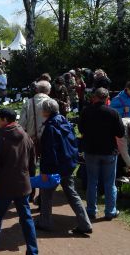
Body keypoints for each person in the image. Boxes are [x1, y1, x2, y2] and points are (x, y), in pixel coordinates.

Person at [0, 108, 38, 254]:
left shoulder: (1, 137)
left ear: (4, 120)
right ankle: (33, 250)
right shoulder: (25, 135)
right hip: (22, 183)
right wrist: (30, 177)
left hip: (4, 185)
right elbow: (32, 159)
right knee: (26, 217)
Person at [36, 99, 92, 235]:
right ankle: (85, 223)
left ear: (46, 111)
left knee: (46, 194)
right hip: (68, 164)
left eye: (42, 108)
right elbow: (73, 143)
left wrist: (45, 170)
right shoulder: (65, 121)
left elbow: (49, 152)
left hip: (54, 166)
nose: (41, 111)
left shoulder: (50, 127)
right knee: (72, 193)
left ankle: (45, 222)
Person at [79, 88, 125, 220]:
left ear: (94, 97)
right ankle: (110, 211)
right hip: (108, 151)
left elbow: (81, 129)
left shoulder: (86, 111)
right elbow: (120, 133)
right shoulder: (113, 113)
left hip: (91, 150)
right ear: (107, 98)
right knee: (109, 183)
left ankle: (91, 210)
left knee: (92, 181)